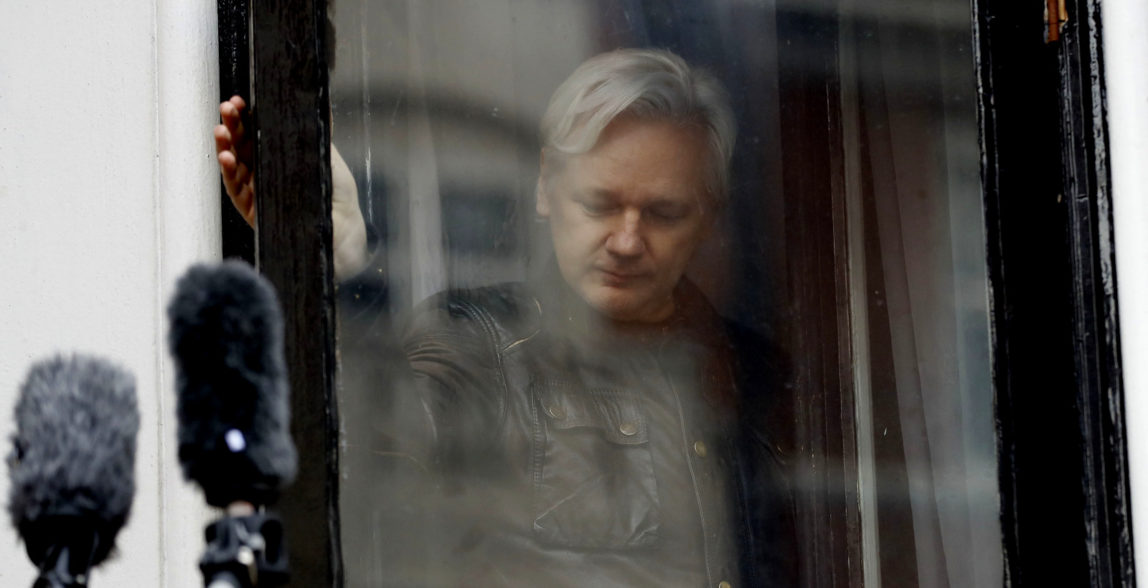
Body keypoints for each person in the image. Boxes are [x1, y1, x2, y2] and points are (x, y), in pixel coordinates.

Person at [216, 48, 796, 587]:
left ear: (709, 215)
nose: (626, 240)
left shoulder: (750, 373)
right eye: (599, 204)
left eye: (664, 213)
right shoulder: (481, 335)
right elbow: (373, 441)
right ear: (546, 184)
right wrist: (329, 277)